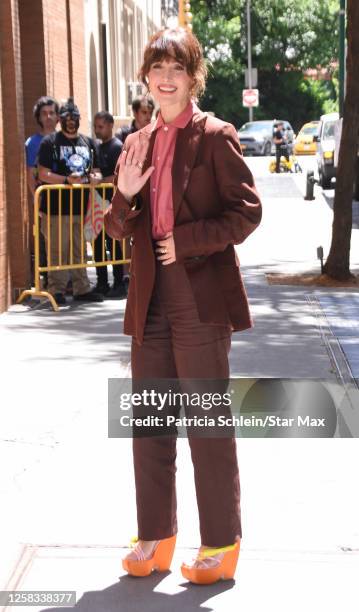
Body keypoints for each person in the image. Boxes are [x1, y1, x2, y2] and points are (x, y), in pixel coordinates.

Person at [105, 27, 262, 584]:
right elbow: (118, 229)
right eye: (157, 68)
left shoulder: (215, 136)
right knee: (150, 422)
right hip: (149, 300)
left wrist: (190, 240)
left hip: (199, 297)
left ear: (192, 77)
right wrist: (122, 197)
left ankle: (220, 544)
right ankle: (157, 537)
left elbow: (247, 213)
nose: (166, 78)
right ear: (146, 77)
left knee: (206, 424)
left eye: (177, 68)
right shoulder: (136, 141)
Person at [37, 97, 104, 306]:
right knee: (57, 249)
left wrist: (96, 178)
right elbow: (43, 173)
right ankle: (55, 290)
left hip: (81, 207)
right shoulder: (50, 142)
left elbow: (97, 171)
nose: (71, 121)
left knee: (79, 249)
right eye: (66, 117)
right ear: (60, 119)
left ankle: (81, 288)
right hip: (56, 208)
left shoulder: (89, 142)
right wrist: (66, 179)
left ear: (79, 119)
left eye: (74, 117)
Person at [25, 96, 59, 287]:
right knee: (46, 240)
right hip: (44, 198)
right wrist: (36, 201)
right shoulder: (33, 142)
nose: (48, 117)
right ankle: (49, 281)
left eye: (52, 113)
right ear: (38, 117)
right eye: (44, 113)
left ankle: (67, 279)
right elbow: (30, 174)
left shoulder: (64, 139)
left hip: (66, 199)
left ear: (57, 117)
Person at [93, 111, 127, 298]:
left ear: (110, 125)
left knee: (113, 243)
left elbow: (120, 175)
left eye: (101, 126)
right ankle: (101, 282)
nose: (97, 130)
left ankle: (119, 282)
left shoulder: (117, 147)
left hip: (113, 202)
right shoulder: (97, 146)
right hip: (97, 202)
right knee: (97, 243)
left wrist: (101, 180)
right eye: (95, 127)